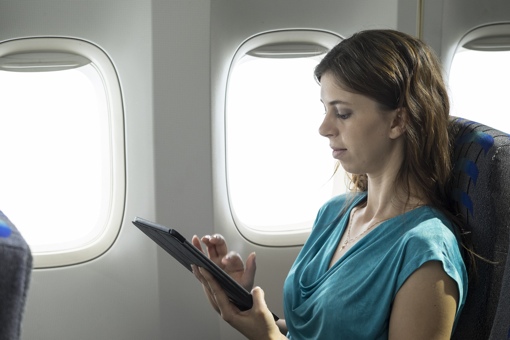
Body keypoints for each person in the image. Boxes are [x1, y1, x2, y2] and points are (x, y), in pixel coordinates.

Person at [191, 29, 468, 339]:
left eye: (343, 113)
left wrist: (267, 337)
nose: (324, 128)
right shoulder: (335, 212)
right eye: (326, 110)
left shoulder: (426, 252)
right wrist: (248, 310)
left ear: (397, 121)